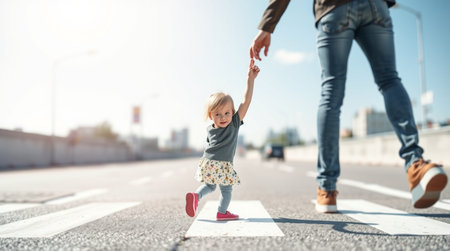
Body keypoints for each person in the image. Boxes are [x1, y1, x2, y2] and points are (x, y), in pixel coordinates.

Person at [250, 0, 447, 213]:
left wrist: (267, 25)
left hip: (333, 8)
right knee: (389, 80)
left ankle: (327, 190)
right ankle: (415, 163)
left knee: (331, 93)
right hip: (375, 7)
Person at [185, 59, 260, 220]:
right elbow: (246, 101)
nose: (223, 117)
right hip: (223, 164)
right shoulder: (234, 123)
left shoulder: (210, 129)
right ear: (211, 116)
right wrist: (250, 80)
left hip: (207, 162)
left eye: (227, 113)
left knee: (209, 186)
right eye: (217, 114)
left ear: (232, 111)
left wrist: (250, 79)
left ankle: (195, 197)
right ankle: (222, 212)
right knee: (226, 190)